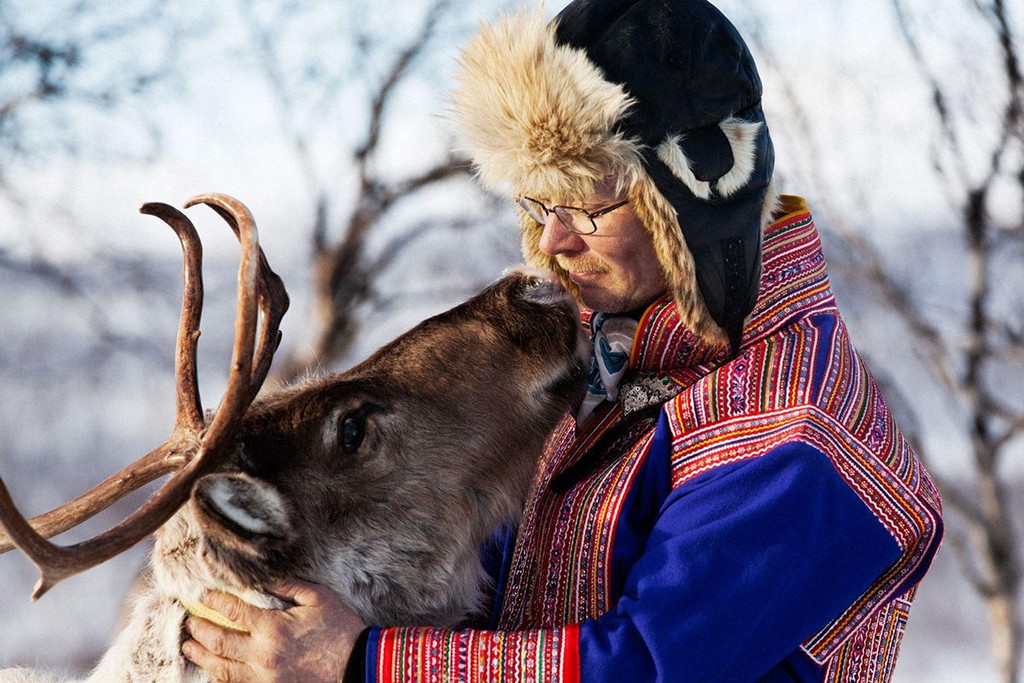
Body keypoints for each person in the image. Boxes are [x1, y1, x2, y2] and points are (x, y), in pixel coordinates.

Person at [182, 0, 944, 680]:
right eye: (539, 200)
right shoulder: (608, 373)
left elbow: (648, 664)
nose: (553, 238)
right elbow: (505, 596)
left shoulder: (795, 430)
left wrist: (360, 661)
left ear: (693, 195)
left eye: (586, 203)